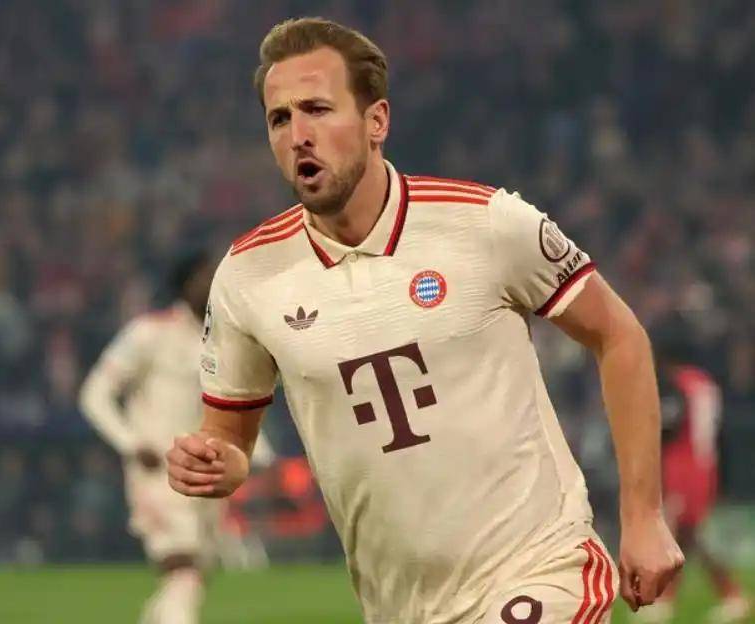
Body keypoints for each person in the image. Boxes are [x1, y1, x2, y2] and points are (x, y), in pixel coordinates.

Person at [166, 18, 683, 624]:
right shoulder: (247, 276)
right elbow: (229, 438)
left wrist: (644, 517)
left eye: (318, 109)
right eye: (280, 119)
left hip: (539, 569)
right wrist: (219, 465)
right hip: (400, 606)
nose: (298, 134)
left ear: (377, 121)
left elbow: (619, 335)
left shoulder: (486, 224)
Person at [80, 250, 275, 624]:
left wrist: (258, 450)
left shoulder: (225, 339)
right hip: (159, 471)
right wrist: (132, 443)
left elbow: (231, 404)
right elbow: (95, 394)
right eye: (204, 276)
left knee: (193, 574)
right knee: (182, 566)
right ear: (184, 284)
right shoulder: (149, 333)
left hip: (208, 471)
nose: (212, 283)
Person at [632, 316, 752, 623]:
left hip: (683, 464)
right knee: (686, 534)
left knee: (678, 533)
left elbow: (670, 424)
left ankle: (677, 599)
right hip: (705, 463)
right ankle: (726, 595)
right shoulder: (705, 383)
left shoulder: (676, 384)